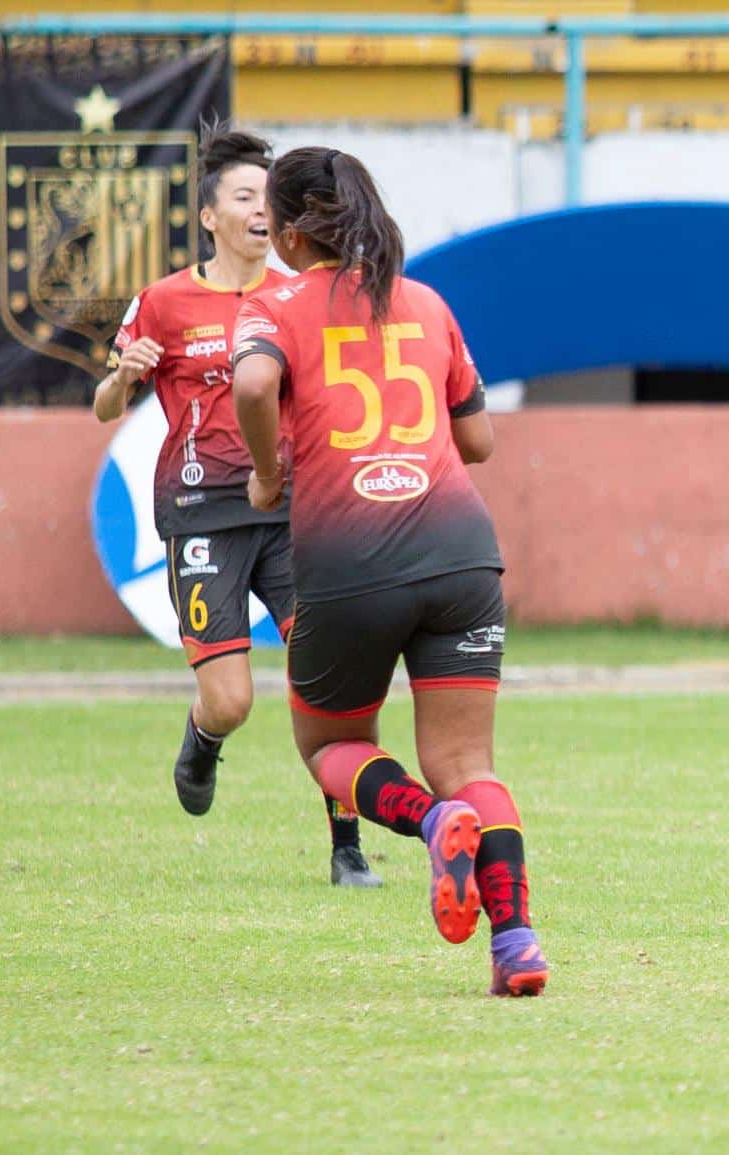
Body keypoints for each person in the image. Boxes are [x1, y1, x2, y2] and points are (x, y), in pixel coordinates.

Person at [231, 145, 548, 994]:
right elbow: (477, 440)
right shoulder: (426, 301)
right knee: (471, 763)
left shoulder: (273, 303)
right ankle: (515, 942)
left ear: (295, 235)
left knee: (330, 742)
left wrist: (267, 472)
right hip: (461, 554)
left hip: (348, 559)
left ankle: (428, 819)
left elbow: (256, 387)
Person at [96, 128, 380, 889]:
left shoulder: (301, 293)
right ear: (212, 216)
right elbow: (101, 407)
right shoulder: (163, 301)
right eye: (244, 197)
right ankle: (202, 737)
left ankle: (346, 846)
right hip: (202, 513)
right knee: (232, 700)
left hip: (295, 511)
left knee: (328, 676)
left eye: (267, 198)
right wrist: (123, 376)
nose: (260, 211)